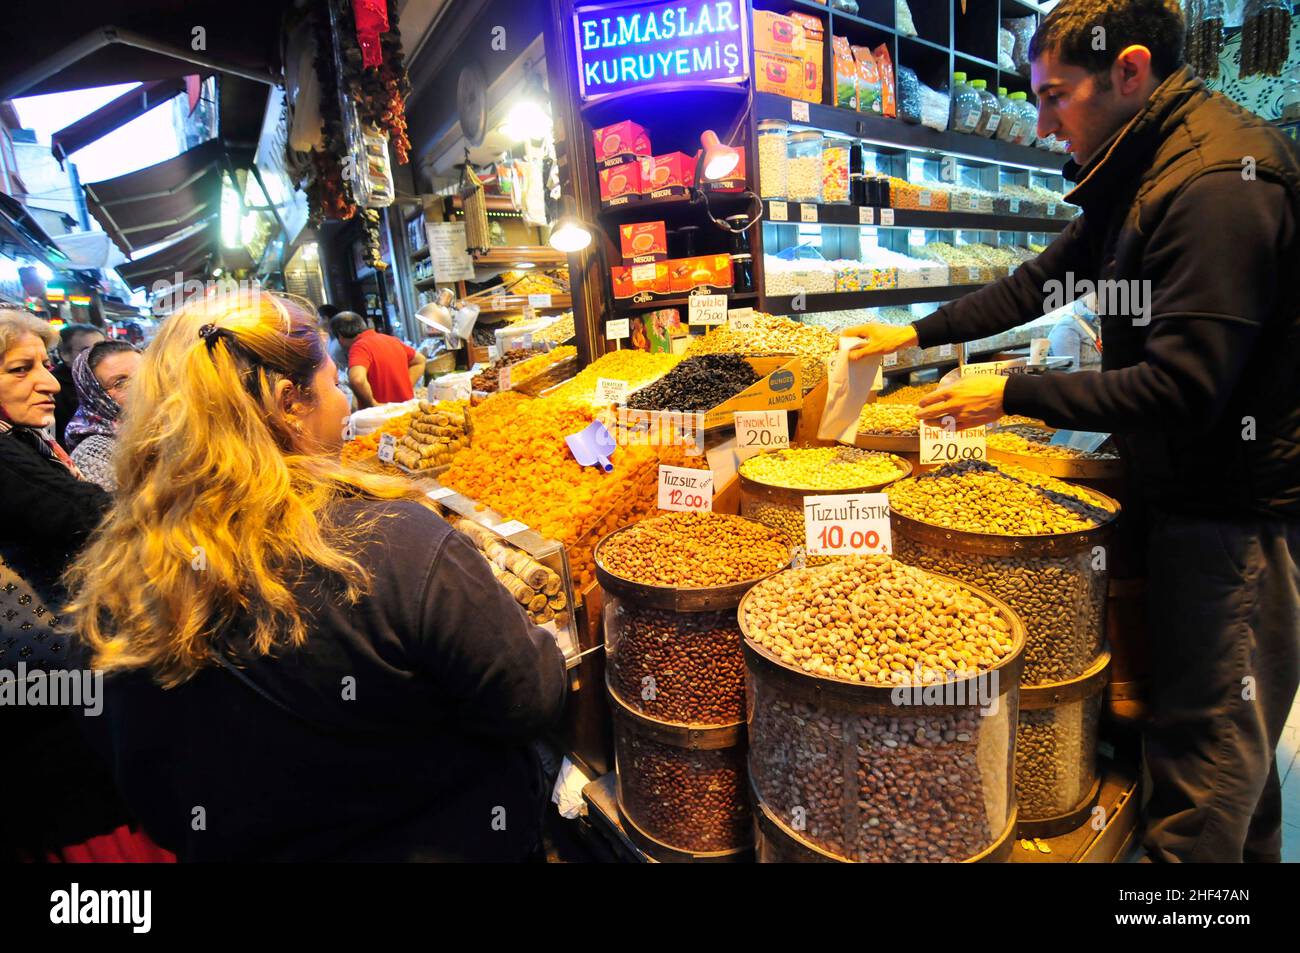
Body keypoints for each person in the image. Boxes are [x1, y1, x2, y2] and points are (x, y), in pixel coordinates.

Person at [846, 0, 1299, 863]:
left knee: (1201, 775)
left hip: (1235, 516)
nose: (1045, 123)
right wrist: (912, 334)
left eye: (1056, 98)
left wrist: (1014, 390)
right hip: (1192, 498)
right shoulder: (1148, 164)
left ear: (1129, 71)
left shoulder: (1213, 186)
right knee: (1231, 755)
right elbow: (1039, 283)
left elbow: (1184, 387)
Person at [64, 292, 567, 861]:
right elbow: (527, 697)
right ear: (289, 402)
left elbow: (156, 803)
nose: (344, 399)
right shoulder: (392, 541)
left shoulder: (118, 582)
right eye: (332, 384)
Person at [0, 307, 166, 862]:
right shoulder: (15, 456)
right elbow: (96, 517)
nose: (46, 382)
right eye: (19, 369)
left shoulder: (29, 444)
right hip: (47, 704)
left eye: (44, 366)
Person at [66, 340, 142, 492]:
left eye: (144, 375)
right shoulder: (93, 452)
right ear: (95, 395)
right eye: (121, 383)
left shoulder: (169, 425)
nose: (140, 386)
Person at [329, 310, 423, 408]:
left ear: (340, 337)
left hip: (382, 416)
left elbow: (357, 379)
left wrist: (373, 404)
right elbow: (420, 360)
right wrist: (405, 387)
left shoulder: (359, 347)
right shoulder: (390, 339)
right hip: (406, 409)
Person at [52, 323, 105, 449]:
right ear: (65, 354)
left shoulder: (106, 380)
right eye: (87, 350)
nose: (97, 356)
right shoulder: (53, 388)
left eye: (102, 349)